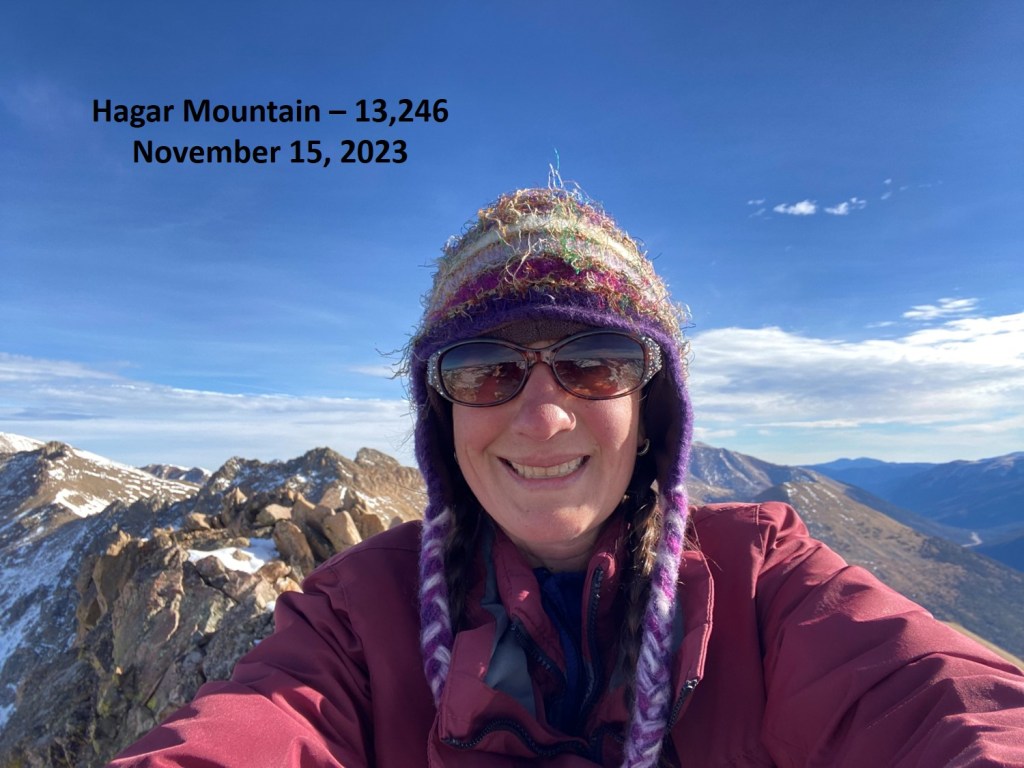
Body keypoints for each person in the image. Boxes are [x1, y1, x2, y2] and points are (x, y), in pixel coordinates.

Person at [110, 187, 1024, 767]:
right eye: (485, 370)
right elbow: (256, 728)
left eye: (594, 362)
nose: (542, 415)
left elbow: (941, 700)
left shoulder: (764, 579)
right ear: (443, 416)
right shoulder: (354, 615)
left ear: (650, 406)